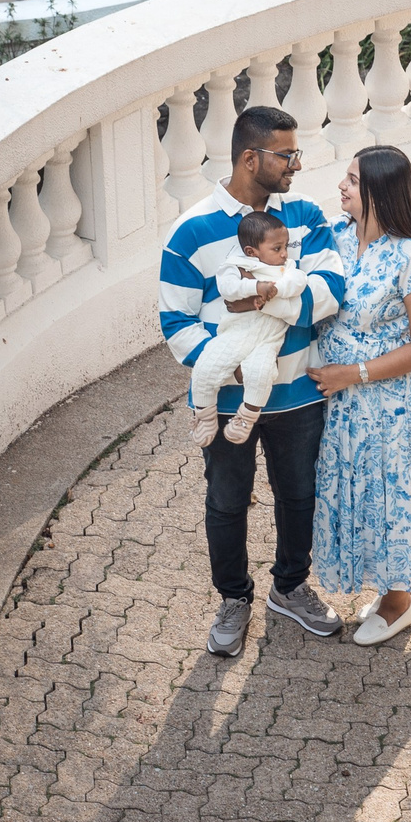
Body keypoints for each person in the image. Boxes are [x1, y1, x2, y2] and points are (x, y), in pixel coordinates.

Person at [157, 106, 348, 657]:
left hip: (298, 394)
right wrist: (232, 364)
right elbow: (176, 322)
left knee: (299, 496)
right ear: (249, 158)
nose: (296, 164)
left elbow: (330, 293)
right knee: (226, 501)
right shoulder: (190, 232)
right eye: (286, 155)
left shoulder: (306, 216)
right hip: (224, 400)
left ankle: (289, 588)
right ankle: (233, 599)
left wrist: (267, 296)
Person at [309, 143, 411, 647]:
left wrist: (355, 373)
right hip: (344, 405)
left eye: (352, 180)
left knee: (393, 494)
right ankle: (386, 590)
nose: (342, 187)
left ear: (378, 192)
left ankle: (398, 603)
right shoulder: (334, 238)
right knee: (358, 492)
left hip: (393, 405)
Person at [187, 211, 306, 447]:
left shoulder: (286, 268)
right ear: (252, 251)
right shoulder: (235, 264)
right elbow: (228, 289)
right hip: (236, 333)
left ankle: (246, 417)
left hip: (268, 340)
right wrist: (256, 286)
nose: (284, 254)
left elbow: (299, 281)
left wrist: (277, 290)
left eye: (285, 247)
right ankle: (205, 417)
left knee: (261, 373)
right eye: (277, 248)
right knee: (206, 367)